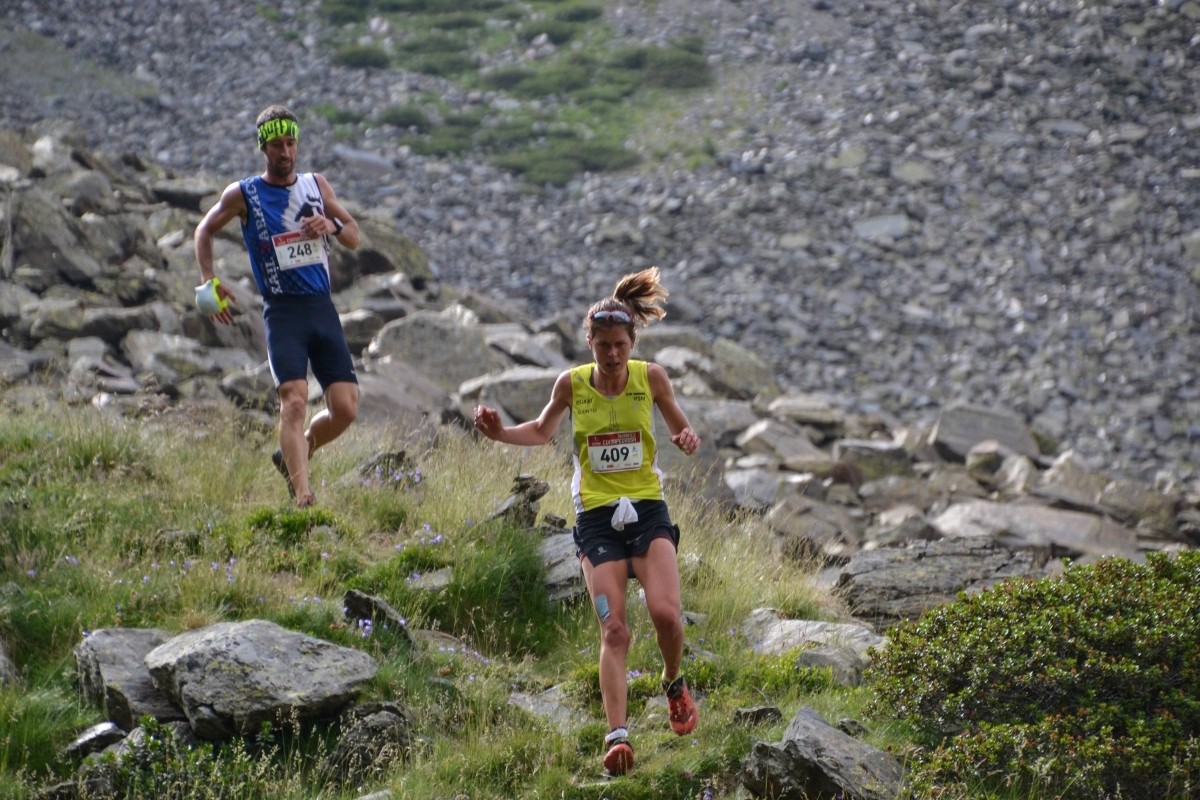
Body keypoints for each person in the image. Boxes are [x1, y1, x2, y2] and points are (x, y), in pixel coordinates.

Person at [473, 267, 701, 776]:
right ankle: (618, 736)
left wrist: (687, 441)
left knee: (666, 615)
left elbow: (684, 432)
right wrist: (499, 433)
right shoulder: (572, 385)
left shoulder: (652, 378)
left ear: (633, 340)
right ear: (590, 343)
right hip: (596, 522)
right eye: (603, 345)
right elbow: (539, 430)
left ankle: (673, 683)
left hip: (647, 512)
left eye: (620, 344)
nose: (613, 355)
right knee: (614, 629)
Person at [194, 105, 361, 507]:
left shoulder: (316, 186)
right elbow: (205, 229)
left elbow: (354, 235)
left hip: (321, 307)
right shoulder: (244, 193)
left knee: (345, 408)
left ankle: (295, 453)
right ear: (263, 147)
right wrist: (207, 283)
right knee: (295, 399)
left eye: (290, 143)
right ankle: (303, 494)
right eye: (276, 145)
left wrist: (332, 226)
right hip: (283, 312)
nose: (285, 151)